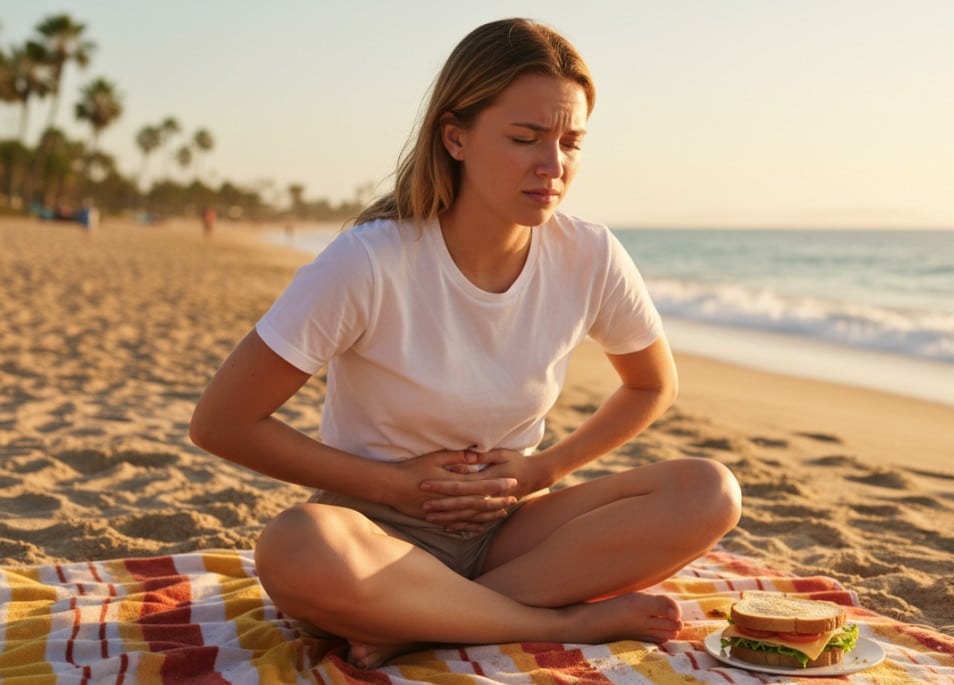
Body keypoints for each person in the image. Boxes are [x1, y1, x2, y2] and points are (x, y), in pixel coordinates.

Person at [190, 18, 741, 670]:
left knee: (709, 491)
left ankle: (426, 622)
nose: (553, 166)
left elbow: (652, 384)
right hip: (376, 536)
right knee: (293, 544)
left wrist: (542, 470)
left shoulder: (589, 255)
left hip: (509, 530)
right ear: (455, 136)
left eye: (571, 142)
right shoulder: (369, 262)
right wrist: (394, 485)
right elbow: (221, 421)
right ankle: (554, 620)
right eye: (525, 138)